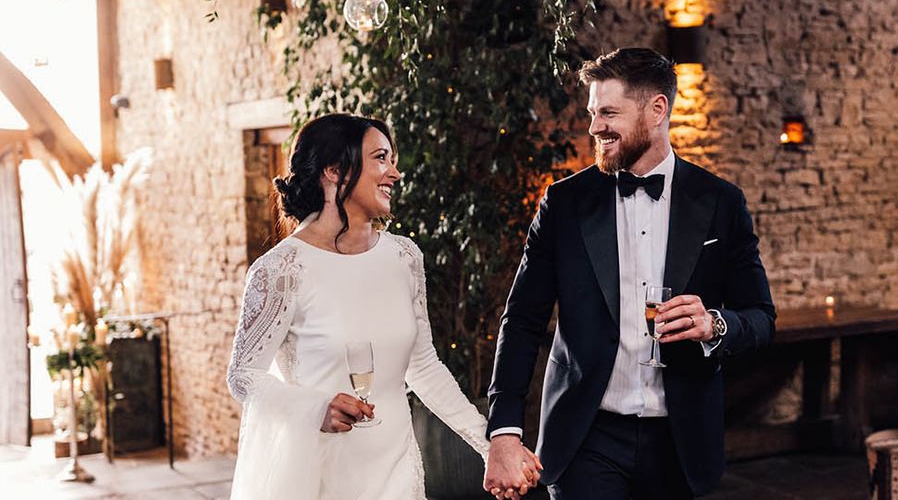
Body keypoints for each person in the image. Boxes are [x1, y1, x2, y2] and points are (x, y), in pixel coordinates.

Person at [484, 48, 775, 499]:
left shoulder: (721, 202)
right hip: (586, 436)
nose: (594, 126)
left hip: (680, 440)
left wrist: (715, 324)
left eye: (608, 113)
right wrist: (504, 430)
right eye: (592, 113)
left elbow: (760, 316)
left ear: (656, 110)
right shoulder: (564, 204)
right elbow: (521, 319)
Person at [226, 112, 541, 499]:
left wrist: (490, 445)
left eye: (392, 160)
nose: (394, 173)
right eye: (380, 158)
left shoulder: (403, 256)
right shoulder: (281, 270)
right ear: (335, 170)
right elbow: (243, 375)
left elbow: (423, 366)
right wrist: (314, 409)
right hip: (319, 476)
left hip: (396, 472)